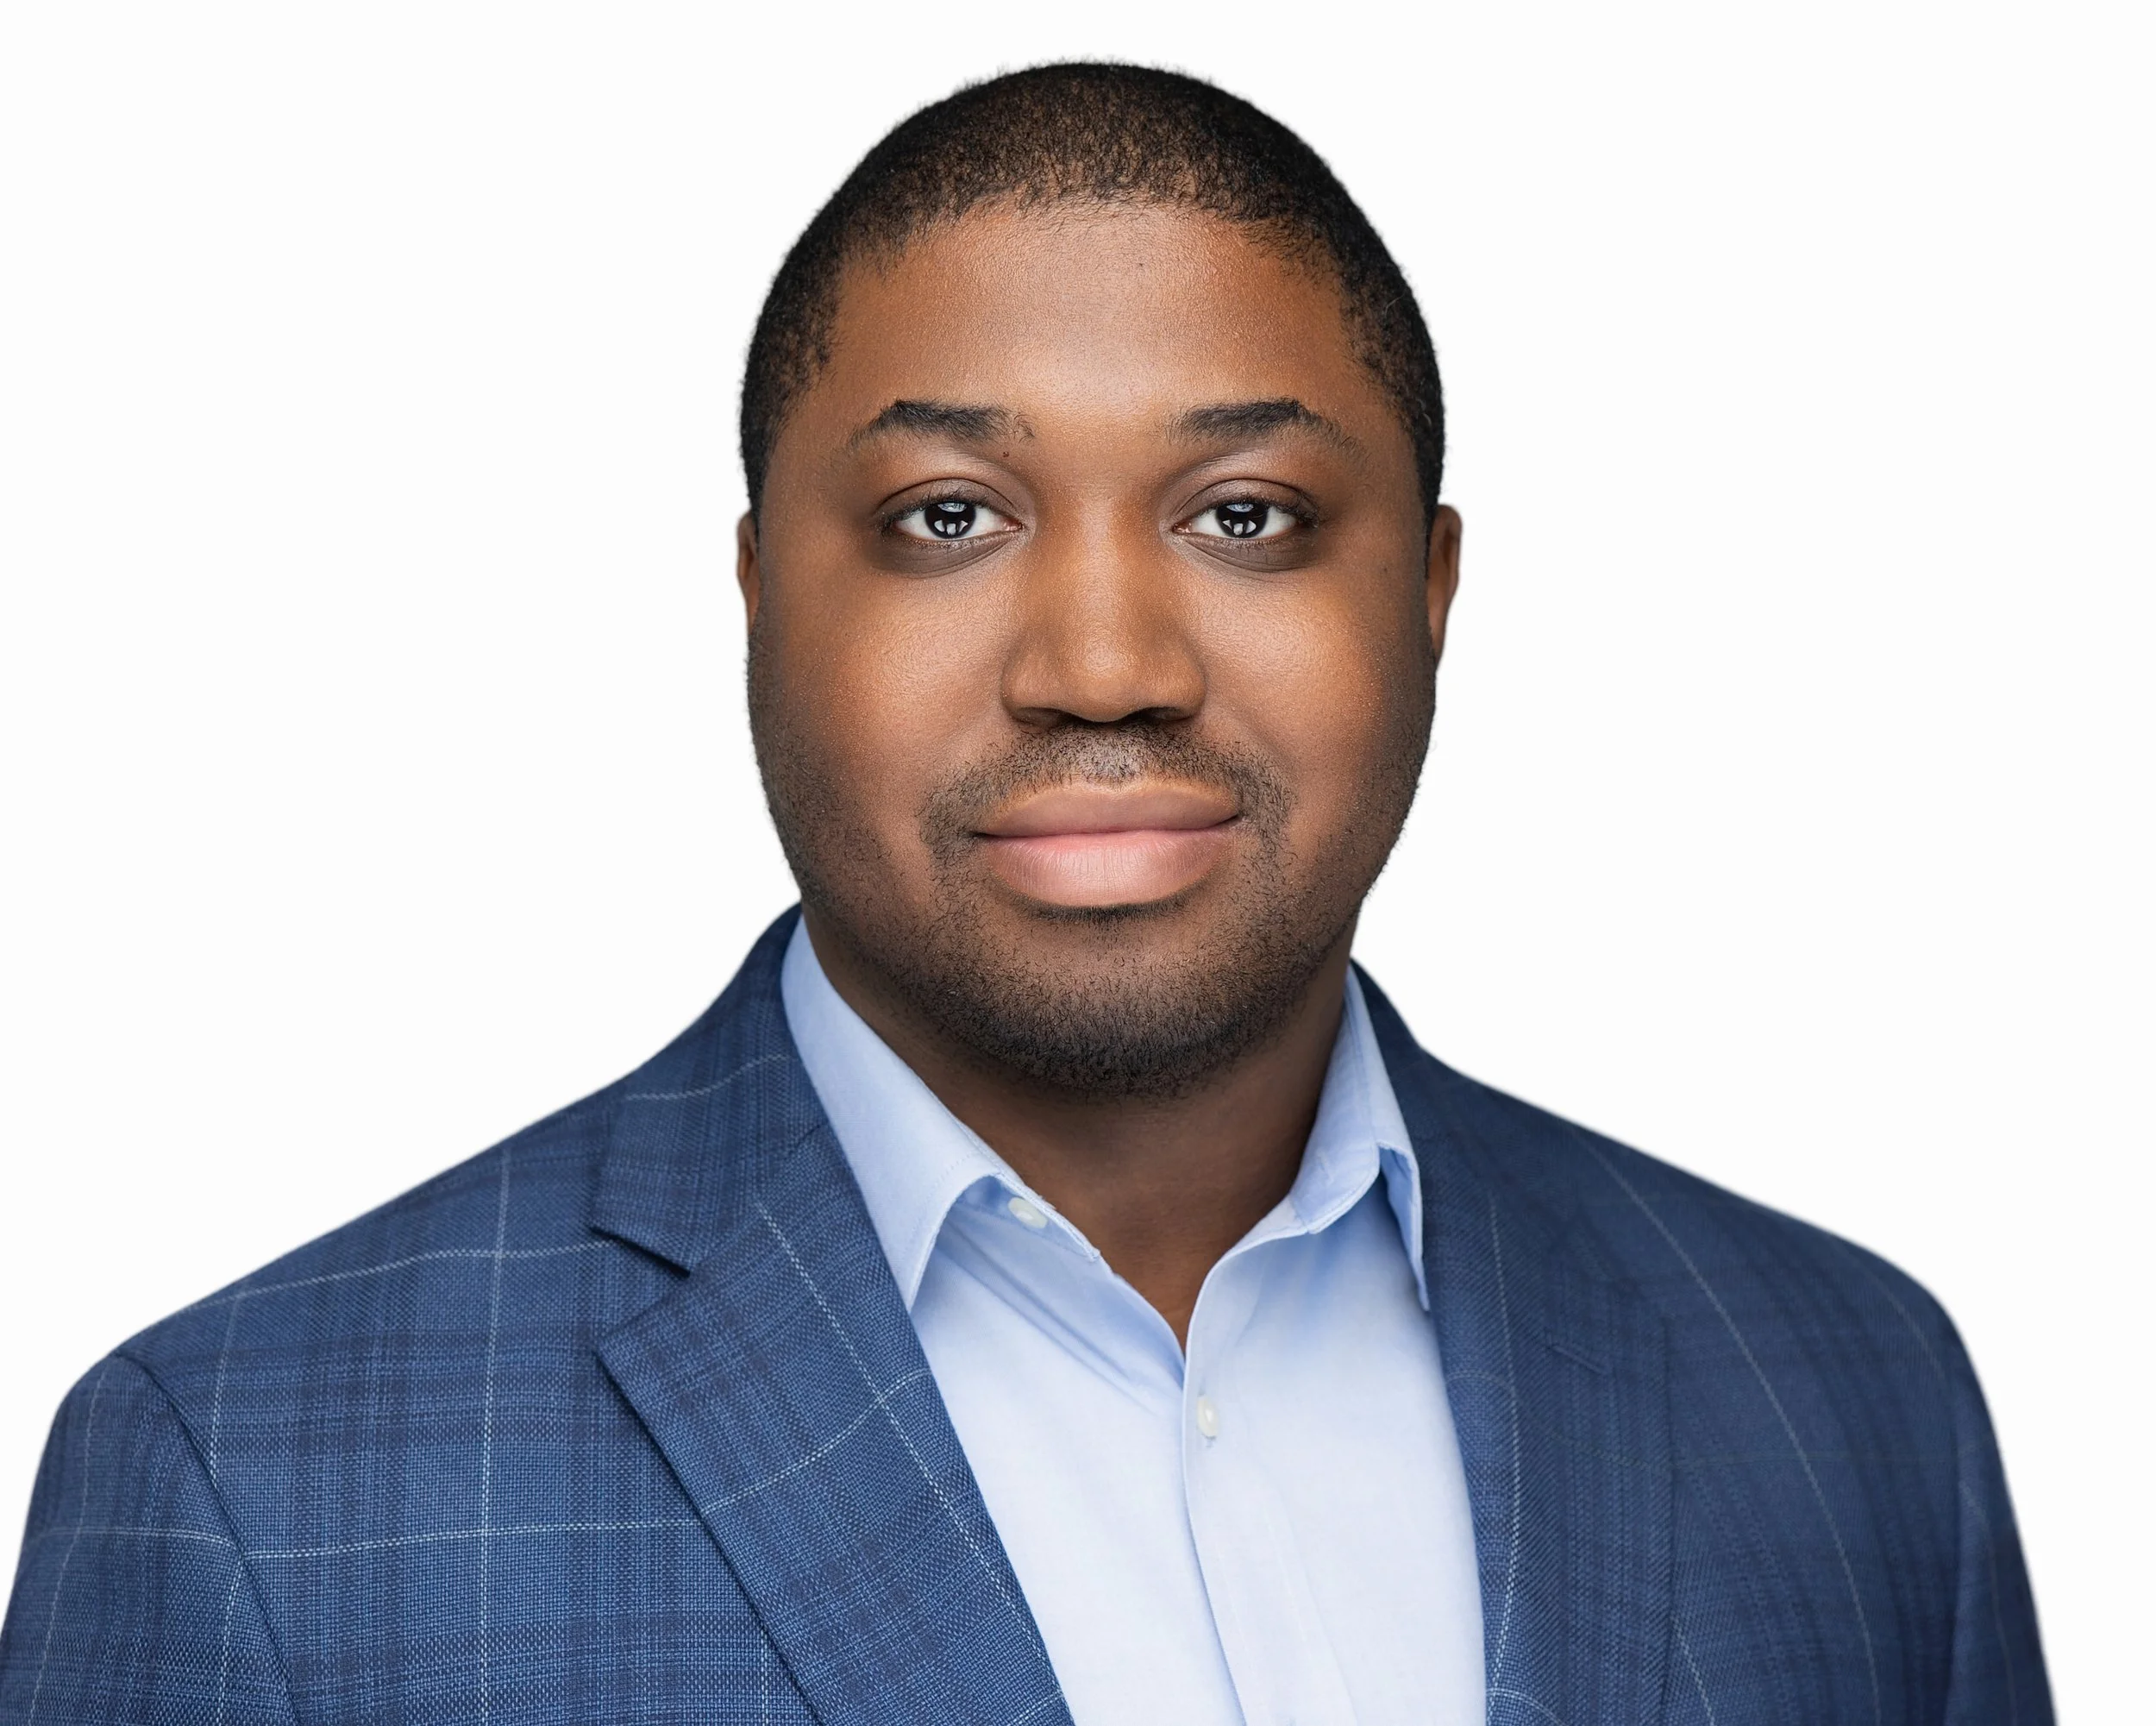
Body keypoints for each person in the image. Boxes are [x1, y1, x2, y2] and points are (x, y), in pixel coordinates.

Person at [0, 63, 2048, 1725]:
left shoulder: (1847, 1393)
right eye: (945, 516)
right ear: (751, 603)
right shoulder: (247, 1485)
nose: (1099, 660)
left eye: (1244, 515)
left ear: (1425, 596)